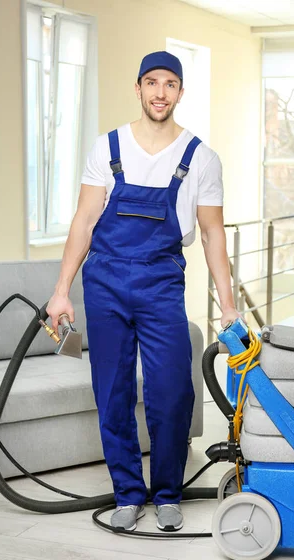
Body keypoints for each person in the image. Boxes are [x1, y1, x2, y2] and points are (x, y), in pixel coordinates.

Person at [46, 50, 240, 532]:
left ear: (180, 92)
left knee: (173, 392)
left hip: (161, 283)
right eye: (151, 82)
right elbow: (85, 220)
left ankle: (168, 492)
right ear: (137, 87)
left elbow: (213, 234)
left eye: (169, 84)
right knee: (111, 393)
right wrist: (61, 290)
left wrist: (228, 305)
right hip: (105, 281)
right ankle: (129, 494)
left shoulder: (201, 157)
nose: (159, 92)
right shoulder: (106, 146)